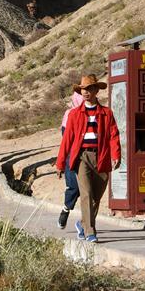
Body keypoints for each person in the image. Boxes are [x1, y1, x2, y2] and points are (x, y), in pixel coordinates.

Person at [56, 75, 121, 243]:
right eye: (83, 89)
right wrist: (60, 163)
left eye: (89, 89)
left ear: (96, 91)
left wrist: (116, 155)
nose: (86, 92)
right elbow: (67, 140)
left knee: (96, 198)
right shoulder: (74, 114)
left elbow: (114, 136)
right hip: (82, 157)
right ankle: (90, 231)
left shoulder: (106, 113)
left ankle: (83, 223)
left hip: (102, 156)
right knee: (86, 194)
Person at [57, 90, 84, 229]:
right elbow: (66, 142)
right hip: (72, 156)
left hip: (88, 156)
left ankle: (87, 225)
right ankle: (66, 209)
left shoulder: (93, 112)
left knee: (89, 191)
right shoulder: (69, 115)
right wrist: (60, 164)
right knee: (74, 187)